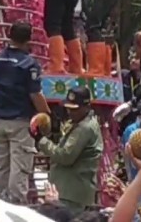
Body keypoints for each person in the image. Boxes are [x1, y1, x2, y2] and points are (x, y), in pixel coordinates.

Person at [0, 21, 51, 203]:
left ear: (9, 35)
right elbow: (35, 94)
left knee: (0, 165)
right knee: (19, 166)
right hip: (21, 122)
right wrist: (47, 115)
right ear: (29, 39)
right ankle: (15, 207)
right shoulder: (29, 64)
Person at [33, 86, 103, 214]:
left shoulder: (85, 128)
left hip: (72, 193)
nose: (70, 113)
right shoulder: (78, 123)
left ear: (86, 107)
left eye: (74, 110)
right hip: (69, 191)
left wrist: (40, 139)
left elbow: (64, 156)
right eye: (68, 109)